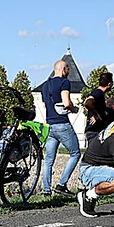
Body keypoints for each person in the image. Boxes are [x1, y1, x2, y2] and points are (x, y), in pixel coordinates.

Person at [41, 59, 81, 196]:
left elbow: (45, 105)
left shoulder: (45, 85)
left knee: (49, 160)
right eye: (68, 69)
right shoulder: (64, 82)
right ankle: (61, 184)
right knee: (75, 154)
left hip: (49, 125)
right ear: (63, 69)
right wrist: (74, 109)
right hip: (62, 124)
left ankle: (46, 190)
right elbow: (66, 102)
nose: (68, 71)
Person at [83, 70, 114, 142]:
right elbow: (87, 103)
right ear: (109, 84)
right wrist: (96, 115)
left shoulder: (97, 93)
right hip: (94, 131)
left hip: (95, 131)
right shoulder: (98, 93)